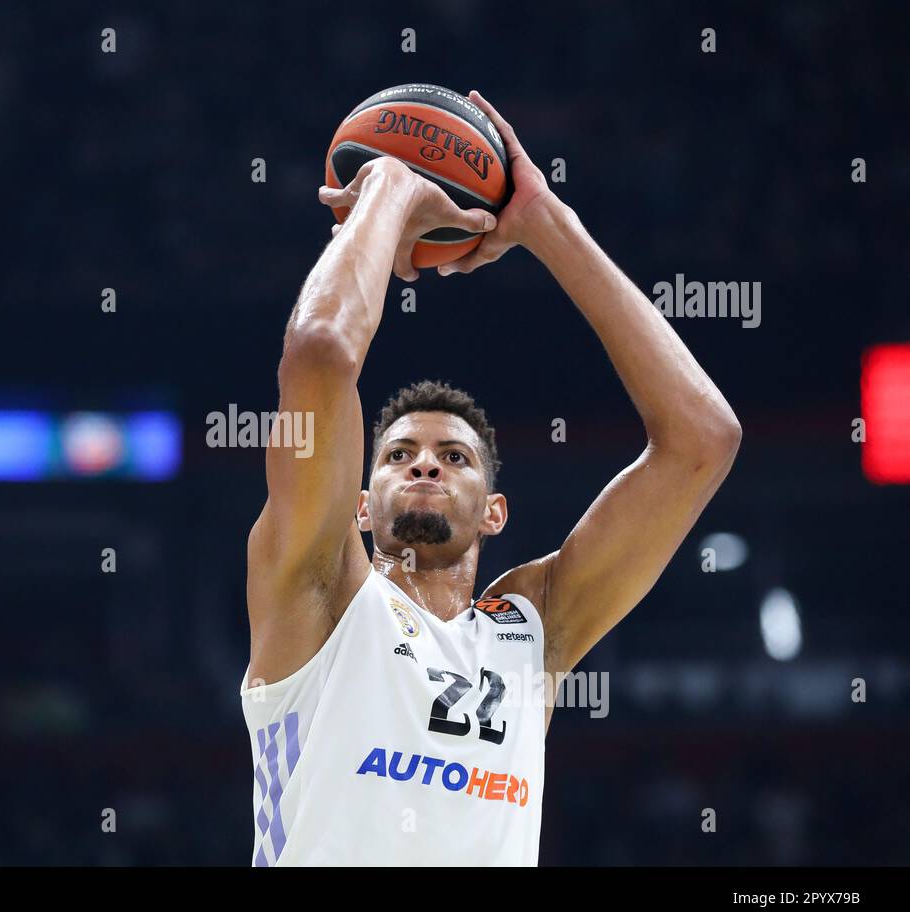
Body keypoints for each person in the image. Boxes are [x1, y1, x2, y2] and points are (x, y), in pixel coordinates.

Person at [240, 91, 740, 866]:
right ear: (360, 506)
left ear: (495, 514)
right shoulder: (315, 591)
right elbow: (320, 354)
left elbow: (704, 439)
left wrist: (544, 221)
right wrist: (390, 190)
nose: (427, 462)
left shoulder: (531, 634)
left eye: (456, 456)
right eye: (399, 455)